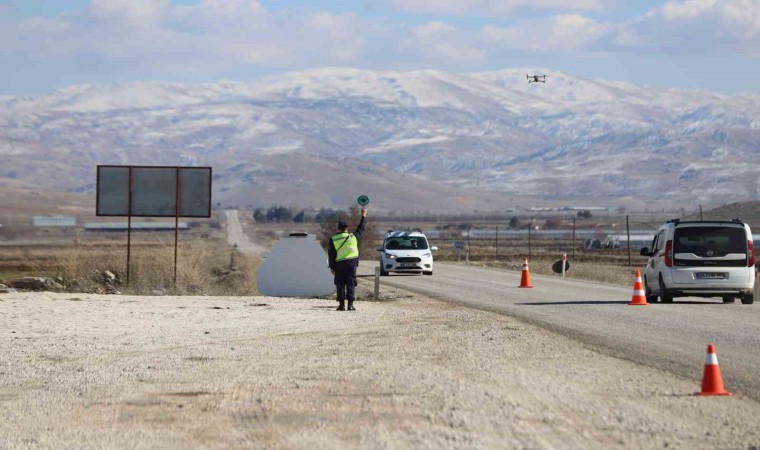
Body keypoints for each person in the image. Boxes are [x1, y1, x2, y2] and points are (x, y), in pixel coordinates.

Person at [327, 207, 368, 311]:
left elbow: (331, 254)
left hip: (339, 264)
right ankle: (350, 305)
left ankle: (341, 305)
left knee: (340, 284)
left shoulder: (333, 239)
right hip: (351, 263)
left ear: (338, 228)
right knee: (351, 283)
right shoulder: (353, 237)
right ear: (347, 229)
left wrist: (332, 266)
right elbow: (361, 228)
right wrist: (364, 215)